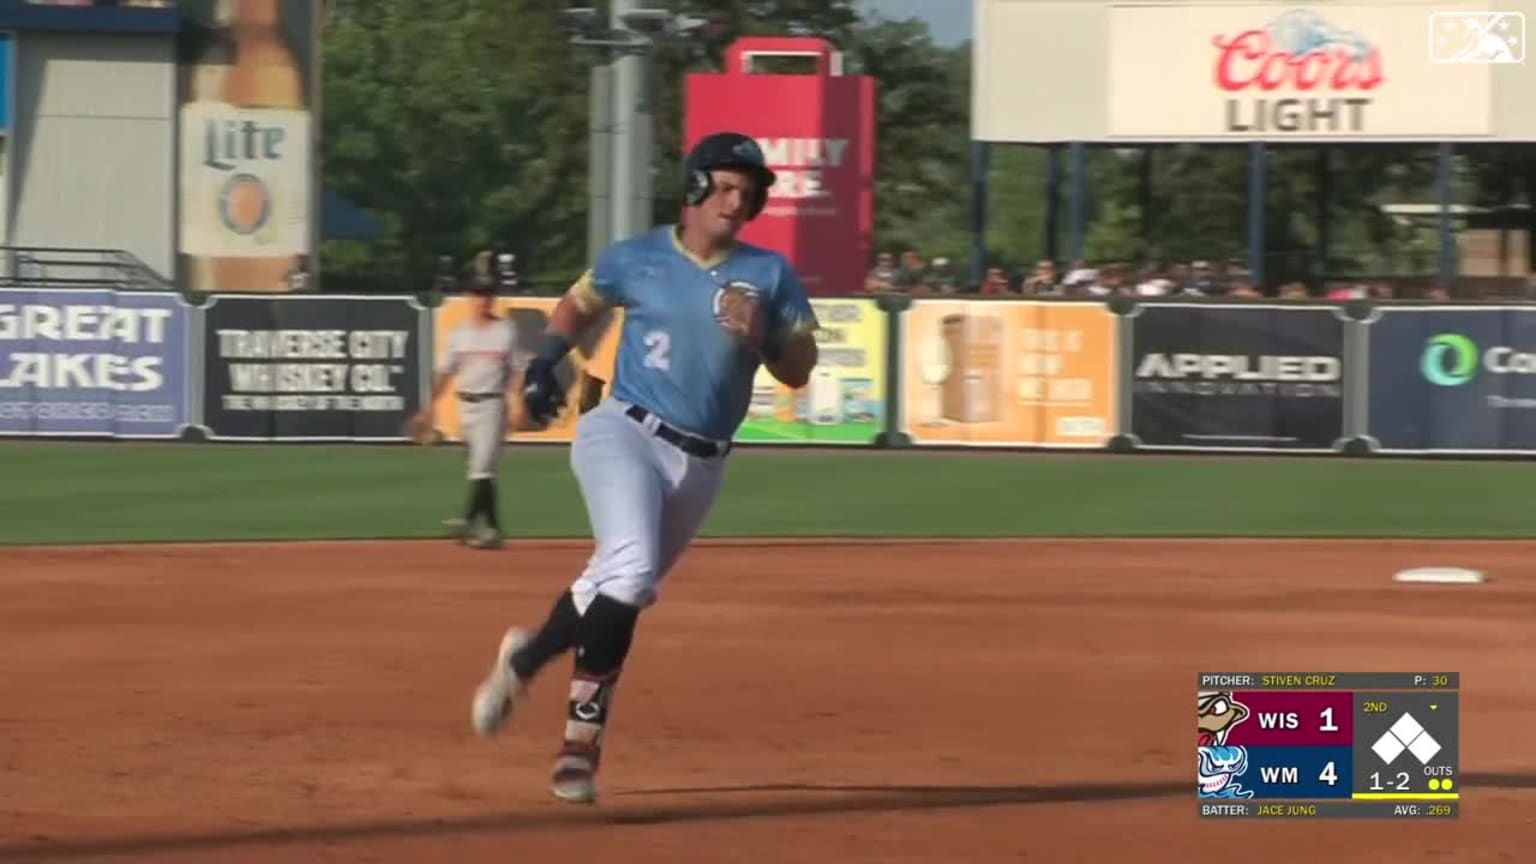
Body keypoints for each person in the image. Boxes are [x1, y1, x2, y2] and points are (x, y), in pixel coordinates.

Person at [466, 131, 819, 804]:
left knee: (609, 584)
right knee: (628, 572)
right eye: (723, 186)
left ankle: (524, 660)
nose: (735, 201)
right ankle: (579, 746)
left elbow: (799, 369)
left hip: (702, 464)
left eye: (747, 193)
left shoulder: (770, 274)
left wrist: (766, 337)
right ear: (692, 188)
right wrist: (546, 360)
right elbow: (580, 302)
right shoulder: (639, 257)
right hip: (621, 431)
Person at [410, 257, 526, 549]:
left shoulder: (506, 331)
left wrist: (518, 402)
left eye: (488, 294)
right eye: (478, 293)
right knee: (482, 470)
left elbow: (517, 371)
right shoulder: (459, 333)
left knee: (482, 468)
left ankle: (467, 521)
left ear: (493, 299)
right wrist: (430, 406)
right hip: (466, 406)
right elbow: (444, 372)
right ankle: (494, 530)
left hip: (492, 405)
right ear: (469, 298)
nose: (483, 299)